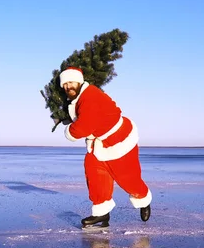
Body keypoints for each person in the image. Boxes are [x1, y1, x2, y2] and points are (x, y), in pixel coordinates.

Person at [59, 66, 152, 228]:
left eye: (71, 82)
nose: (68, 86)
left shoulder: (90, 96)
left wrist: (69, 132)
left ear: (80, 82)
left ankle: (143, 199)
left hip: (119, 141)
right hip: (99, 143)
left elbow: (85, 125)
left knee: (127, 178)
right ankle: (101, 213)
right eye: (65, 84)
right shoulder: (78, 99)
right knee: (94, 173)